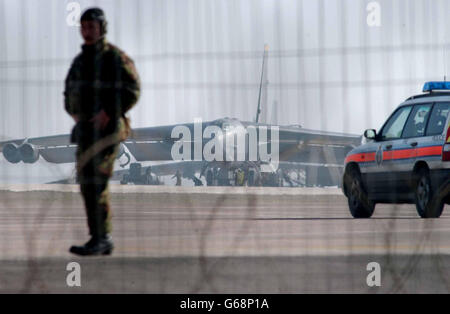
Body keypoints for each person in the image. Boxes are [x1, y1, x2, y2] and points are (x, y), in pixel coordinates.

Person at [64, 7, 140, 256]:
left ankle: (102, 237)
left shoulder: (114, 58)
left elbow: (132, 88)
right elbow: (68, 94)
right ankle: (97, 237)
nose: (87, 32)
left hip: (108, 130)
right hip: (86, 131)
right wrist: (75, 114)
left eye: (92, 27)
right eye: (83, 27)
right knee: (86, 183)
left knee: (96, 181)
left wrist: (109, 111)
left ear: (102, 29)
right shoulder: (80, 62)